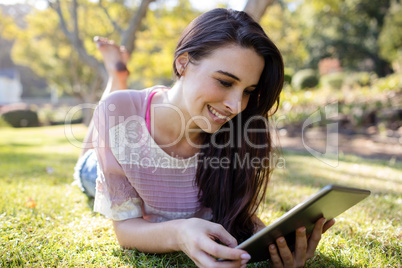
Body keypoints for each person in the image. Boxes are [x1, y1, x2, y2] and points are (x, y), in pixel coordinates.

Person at [74, 8, 335, 268]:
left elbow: (234, 214)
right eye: (224, 82)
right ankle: (115, 77)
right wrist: (179, 234)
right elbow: (126, 228)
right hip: (100, 167)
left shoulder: (238, 132)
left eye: (248, 91)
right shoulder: (119, 110)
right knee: (85, 164)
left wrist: (275, 241)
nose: (235, 106)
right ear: (183, 62)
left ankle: (116, 76)